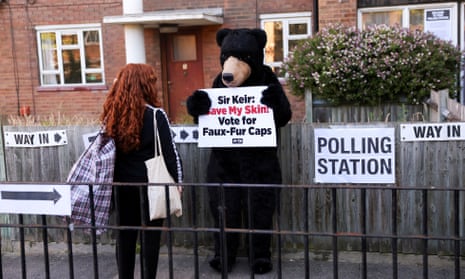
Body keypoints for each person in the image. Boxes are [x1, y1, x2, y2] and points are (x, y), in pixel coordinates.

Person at [100, 63, 183, 279]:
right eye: (152, 81)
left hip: (121, 187)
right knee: (150, 240)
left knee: (125, 238)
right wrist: (178, 181)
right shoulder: (156, 116)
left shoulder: (112, 115)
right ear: (146, 85)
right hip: (150, 188)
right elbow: (170, 153)